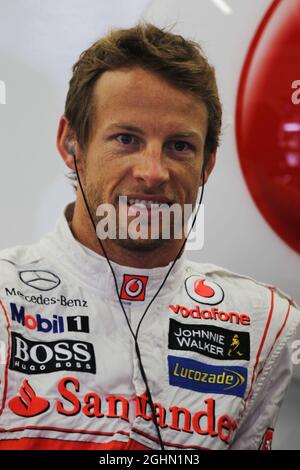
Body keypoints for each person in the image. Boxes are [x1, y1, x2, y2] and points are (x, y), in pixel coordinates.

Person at [0, 22, 299, 451]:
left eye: (179, 146)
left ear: (207, 164)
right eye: (126, 139)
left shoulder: (265, 322)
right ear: (72, 145)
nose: (153, 172)